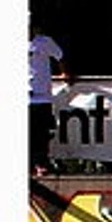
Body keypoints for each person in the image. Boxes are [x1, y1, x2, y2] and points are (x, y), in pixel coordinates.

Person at [29, 21, 69, 177]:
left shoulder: (45, 42)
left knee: (41, 133)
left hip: (42, 97)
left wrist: (64, 73)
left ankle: (41, 163)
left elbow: (60, 56)